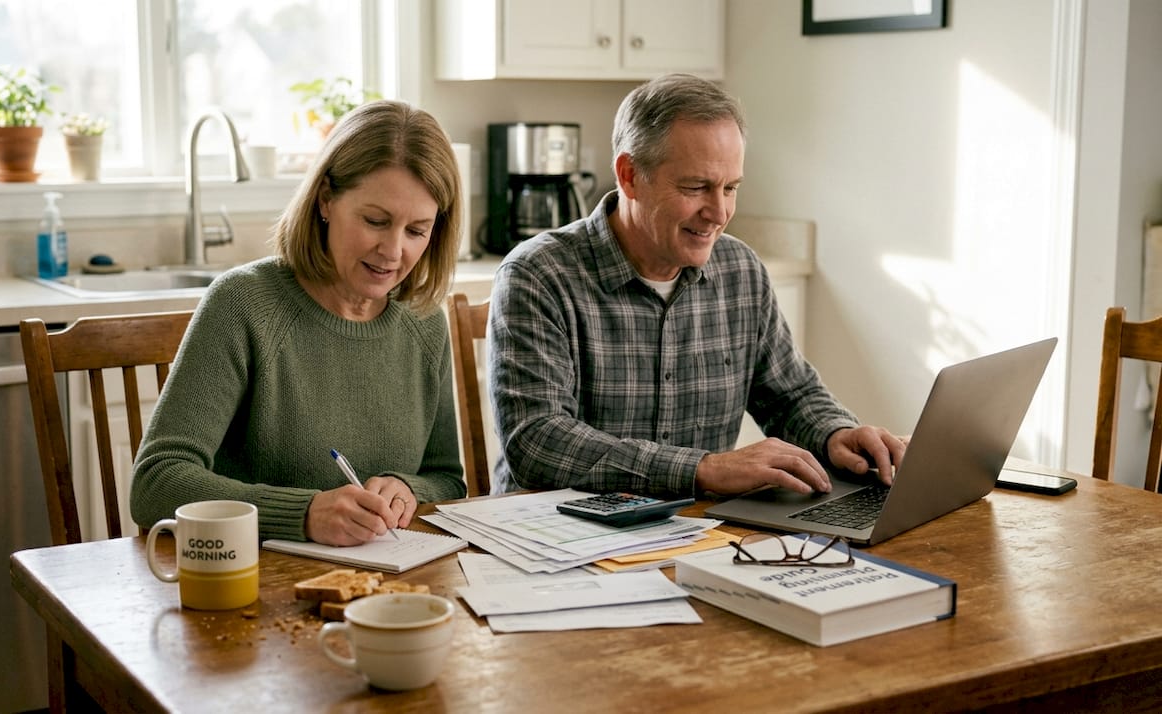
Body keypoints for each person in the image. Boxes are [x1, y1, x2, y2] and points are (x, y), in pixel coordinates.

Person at [488, 73, 906, 499]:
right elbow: (538, 442)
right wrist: (702, 470)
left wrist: (837, 433)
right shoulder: (538, 275)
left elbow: (790, 396)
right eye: (696, 187)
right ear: (630, 175)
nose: (719, 212)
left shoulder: (740, 270)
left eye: (730, 188)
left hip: (698, 536)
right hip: (556, 545)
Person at [131, 100, 466, 546]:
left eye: (416, 231)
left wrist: (408, 488)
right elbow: (157, 482)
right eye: (375, 221)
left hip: (386, 586)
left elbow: (446, 478)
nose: (392, 251)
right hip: (251, 586)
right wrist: (303, 513)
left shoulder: (424, 324)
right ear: (325, 199)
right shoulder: (243, 304)